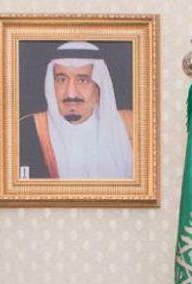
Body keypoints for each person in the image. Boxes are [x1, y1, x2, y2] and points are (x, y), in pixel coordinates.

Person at [18, 41, 133, 180]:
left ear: (99, 86)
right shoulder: (27, 131)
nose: (71, 93)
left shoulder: (131, 128)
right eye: (61, 80)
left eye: (83, 80)